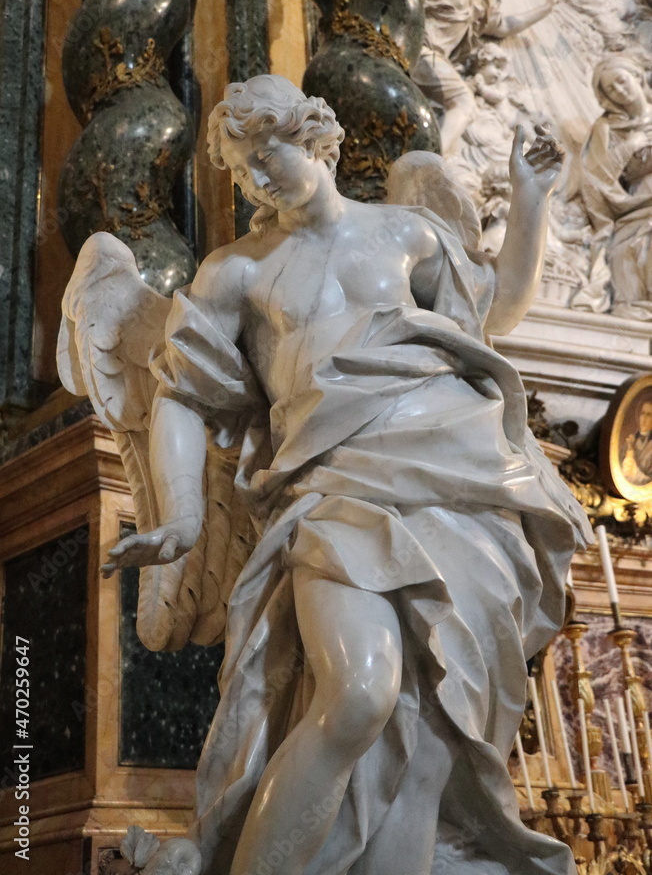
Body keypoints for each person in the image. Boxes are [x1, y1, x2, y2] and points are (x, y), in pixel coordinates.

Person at [87, 75, 589, 875]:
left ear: (315, 135)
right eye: (243, 165)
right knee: (359, 692)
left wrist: (530, 203)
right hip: (333, 492)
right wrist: (183, 519)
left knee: (433, 726)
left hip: (458, 483)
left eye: (268, 150)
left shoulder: (407, 234)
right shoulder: (237, 272)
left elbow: (492, 316)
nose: (256, 175)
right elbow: (180, 392)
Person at [412, 0, 558, 154]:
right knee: (464, 103)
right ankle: (425, 165)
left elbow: (504, 26)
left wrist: (545, 9)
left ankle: (429, 159)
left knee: (456, 117)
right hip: (415, 47)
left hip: (434, 59)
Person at [581, 53, 652, 319]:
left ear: (637, 76)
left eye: (622, 81)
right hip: (635, 203)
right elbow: (595, 175)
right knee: (627, 248)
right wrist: (629, 147)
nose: (620, 91)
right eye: (611, 88)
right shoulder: (606, 127)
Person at [622, 398, 652, 485]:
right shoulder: (630, 440)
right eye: (642, 414)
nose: (644, 419)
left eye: (649, 415)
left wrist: (634, 472)